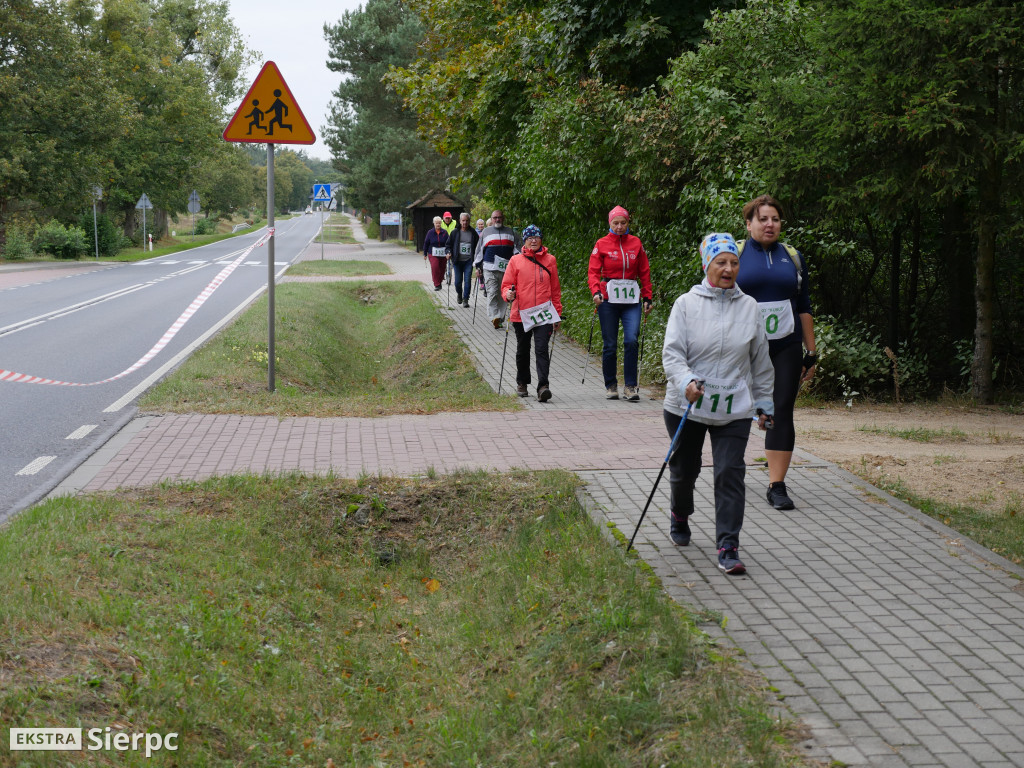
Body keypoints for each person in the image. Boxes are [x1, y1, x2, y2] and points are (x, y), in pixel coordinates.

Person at [662, 232, 774, 575]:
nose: (728, 269)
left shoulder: (750, 306)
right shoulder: (686, 304)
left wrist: (764, 403)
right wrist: (686, 383)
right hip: (688, 405)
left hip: (733, 408)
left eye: (734, 262)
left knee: (730, 473)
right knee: (684, 471)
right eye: (720, 262)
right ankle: (680, 513)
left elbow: (760, 361)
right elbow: (673, 354)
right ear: (706, 265)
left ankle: (728, 545)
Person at [735, 194, 817, 511]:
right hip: (743, 347)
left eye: (775, 219)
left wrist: (811, 352)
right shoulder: (736, 255)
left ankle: (777, 484)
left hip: (785, 344)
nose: (770, 225)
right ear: (749, 223)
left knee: (781, 409)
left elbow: (804, 306)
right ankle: (729, 471)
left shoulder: (792, 257)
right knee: (738, 408)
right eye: (763, 219)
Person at [588, 205, 653, 401]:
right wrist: (596, 291)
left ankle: (631, 386)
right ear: (610, 223)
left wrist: (648, 297)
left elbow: (644, 272)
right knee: (610, 344)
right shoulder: (602, 243)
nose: (619, 226)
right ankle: (611, 385)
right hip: (608, 299)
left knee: (631, 340)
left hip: (631, 299)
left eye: (623, 223)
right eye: (615, 223)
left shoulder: (635, 243)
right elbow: (593, 272)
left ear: (628, 223)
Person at [501, 225, 562, 401]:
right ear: (525, 241)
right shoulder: (515, 261)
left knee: (542, 349)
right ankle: (522, 382)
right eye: (529, 238)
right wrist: (508, 294)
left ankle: (543, 386)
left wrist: (557, 312)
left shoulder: (550, 260)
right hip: (521, 313)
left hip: (544, 314)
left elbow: (555, 289)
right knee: (523, 350)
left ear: (541, 239)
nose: (533, 240)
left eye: (536, 237)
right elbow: (506, 285)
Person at [474, 209, 517, 328]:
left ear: (503, 218)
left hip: (506, 269)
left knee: (503, 294)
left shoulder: (510, 232)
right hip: (489, 268)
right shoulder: (486, 232)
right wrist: (478, 266)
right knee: (492, 292)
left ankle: (500, 317)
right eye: (495, 218)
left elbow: (517, 249)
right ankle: (494, 317)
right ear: (491, 219)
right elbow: (479, 250)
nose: (497, 219)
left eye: (499, 217)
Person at [446, 212, 479, 308]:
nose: (465, 222)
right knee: (457, 282)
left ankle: (465, 299)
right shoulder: (455, 232)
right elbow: (448, 245)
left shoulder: (473, 233)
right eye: (463, 220)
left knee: (468, 281)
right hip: (457, 261)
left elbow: (478, 247)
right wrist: (448, 252)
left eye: (467, 221)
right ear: (460, 221)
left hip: (469, 261)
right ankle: (459, 294)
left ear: (469, 221)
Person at [422, 216, 449, 291]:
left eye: (439, 223)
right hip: (432, 253)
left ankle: (439, 281)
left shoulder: (444, 232)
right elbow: (426, 243)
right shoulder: (430, 232)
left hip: (443, 253)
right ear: (434, 223)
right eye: (436, 223)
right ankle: (436, 284)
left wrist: (449, 252)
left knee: (442, 268)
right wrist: (425, 254)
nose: (438, 224)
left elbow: (448, 243)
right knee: (435, 267)